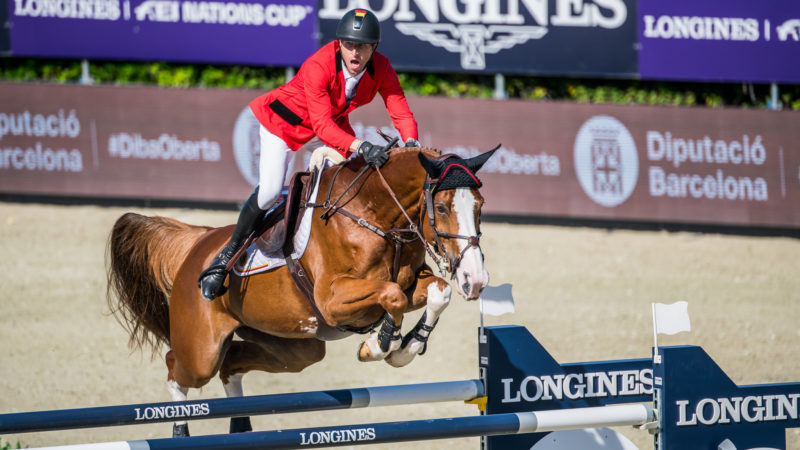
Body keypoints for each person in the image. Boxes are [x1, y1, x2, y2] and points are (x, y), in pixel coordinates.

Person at [198, 8, 420, 301]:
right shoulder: (319, 65)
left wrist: (412, 144)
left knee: (355, 177)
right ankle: (225, 257)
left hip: (331, 123)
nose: (356, 53)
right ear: (339, 43)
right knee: (268, 193)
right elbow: (322, 126)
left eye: (363, 46)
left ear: (374, 48)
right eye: (350, 45)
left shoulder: (382, 67)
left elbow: (399, 108)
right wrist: (362, 146)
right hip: (282, 126)